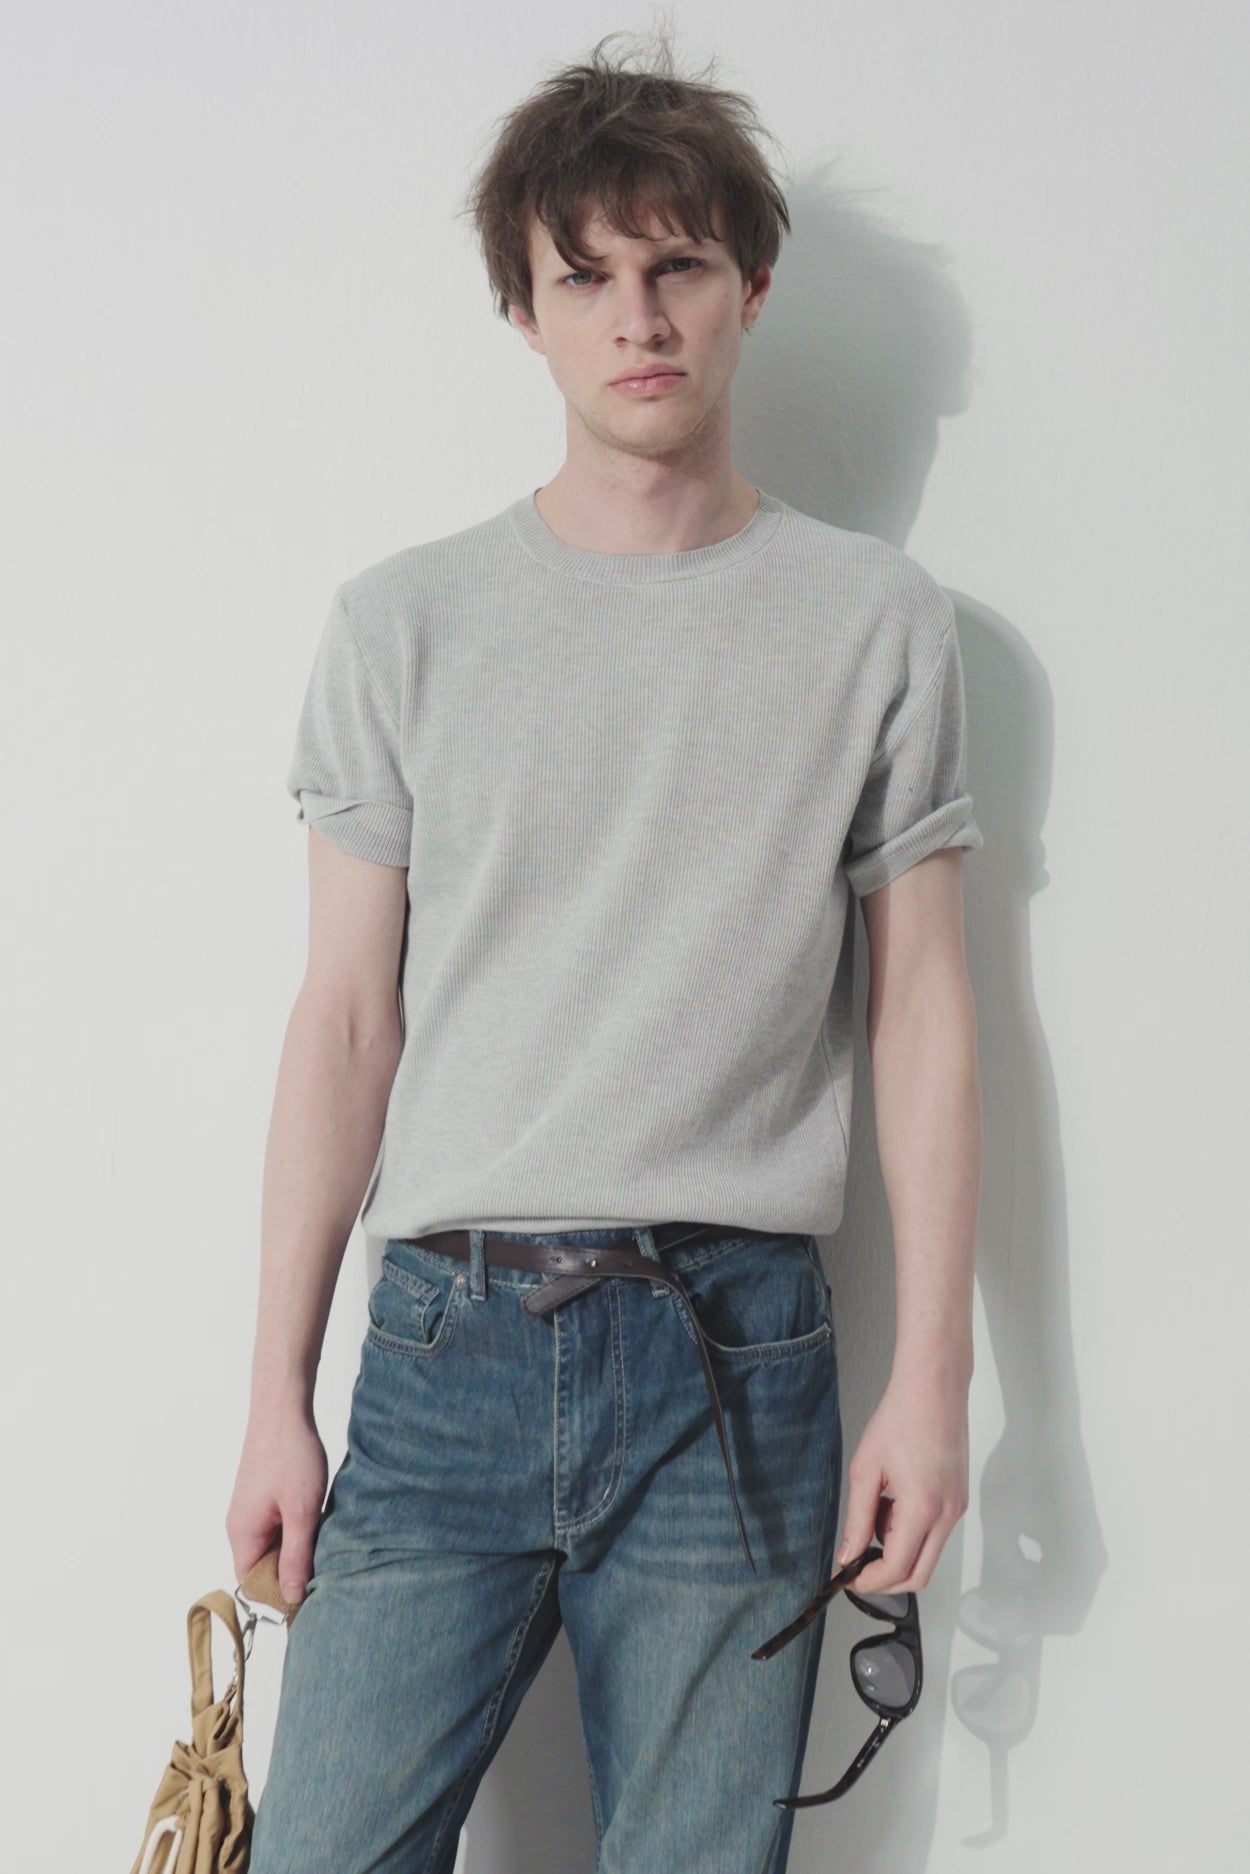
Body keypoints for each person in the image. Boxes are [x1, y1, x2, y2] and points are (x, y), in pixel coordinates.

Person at [229, 28, 984, 1874]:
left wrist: (933, 1378)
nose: (636, 318)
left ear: (750, 286)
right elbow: (344, 1022)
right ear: (524, 310)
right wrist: (272, 1394)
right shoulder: (403, 623)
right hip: (444, 1345)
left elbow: (923, 1009)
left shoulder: (874, 622)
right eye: (584, 278)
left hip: (738, 1351)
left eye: (677, 266)